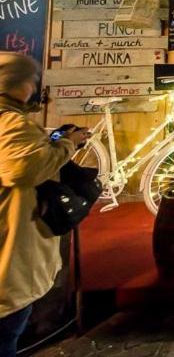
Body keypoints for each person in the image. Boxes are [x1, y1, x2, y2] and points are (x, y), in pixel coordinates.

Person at [0, 54, 89, 357]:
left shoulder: (14, 120)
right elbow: (24, 167)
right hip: (9, 251)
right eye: (29, 79)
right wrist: (66, 144)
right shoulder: (9, 122)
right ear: (13, 85)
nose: (34, 84)